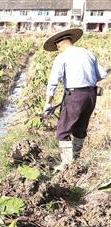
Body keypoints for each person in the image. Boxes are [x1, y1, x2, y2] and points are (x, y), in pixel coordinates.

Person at [42, 28, 107, 170]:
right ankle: (76, 160)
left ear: (60, 44)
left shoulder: (62, 57)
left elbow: (53, 82)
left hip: (74, 96)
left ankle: (67, 164)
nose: (57, 50)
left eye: (57, 48)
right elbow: (102, 74)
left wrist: (48, 103)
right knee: (80, 128)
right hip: (90, 95)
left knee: (63, 130)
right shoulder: (88, 53)